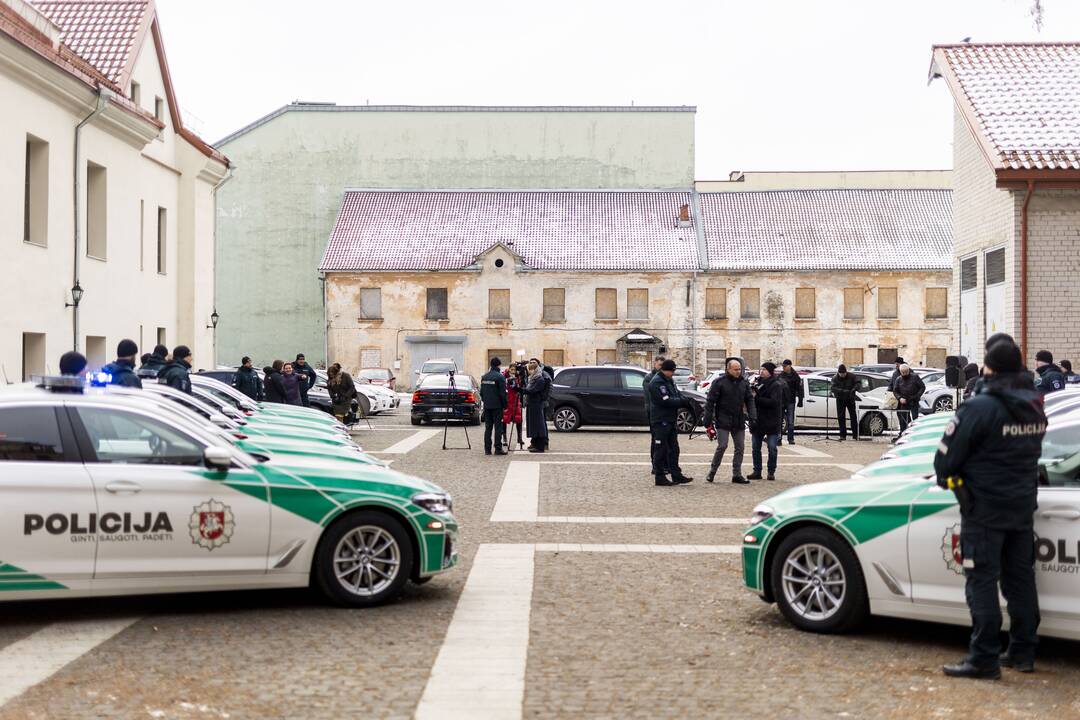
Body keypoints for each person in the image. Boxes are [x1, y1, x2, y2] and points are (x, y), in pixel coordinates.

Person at [935, 339, 1046, 680]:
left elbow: (944, 463)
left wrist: (956, 488)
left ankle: (984, 658)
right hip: (1022, 506)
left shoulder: (980, 407)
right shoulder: (1035, 403)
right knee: (1020, 581)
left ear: (989, 368)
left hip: (984, 509)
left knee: (981, 580)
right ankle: (1023, 652)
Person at [703, 358, 756, 484]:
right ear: (728, 369)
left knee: (740, 447)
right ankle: (712, 471)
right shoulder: (719, 382)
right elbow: (710, 401)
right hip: (723, 419)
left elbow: (749, 400)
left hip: (738, 419)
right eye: (736, 369)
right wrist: (708, 419)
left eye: (740, 369)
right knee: (722, 446)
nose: (738, 372)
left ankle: (736, 474)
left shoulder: (744, 382)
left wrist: (753, 416)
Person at [647, 359, 693, 486]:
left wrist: (685, 399)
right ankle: (660, 476)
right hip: (661, 420)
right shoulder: (656, 383)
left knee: (674, 449)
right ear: (666, 370)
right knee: (660, 449)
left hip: (670, 419)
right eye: (672, 371)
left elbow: (676, 394)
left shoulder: (669, 380)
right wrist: (682, 402)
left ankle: (676, 475)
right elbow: (665, 401)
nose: (673, 374)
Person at [748, 362, 784, 481]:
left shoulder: (776, 385)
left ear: (770, 371)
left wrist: (756, 398)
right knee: (755, 447)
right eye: (761, 369)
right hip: (758, 421)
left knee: (772, 448)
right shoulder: (758, 382)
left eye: (764, 369)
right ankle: (757, 471)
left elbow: (773, 402)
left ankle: (771, 471)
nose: (762, 371)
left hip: (772, 421)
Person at [480, 357, 508, 455]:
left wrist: (486, 401)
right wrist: (505, 406)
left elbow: (482, 393)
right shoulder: (500, 377)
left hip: (487, 406)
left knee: (488, 428)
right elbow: (502, 394)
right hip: (497, 407)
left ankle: (487, 449)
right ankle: (498, 448)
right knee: (498, 428)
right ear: (499, 365)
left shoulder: (484, 377)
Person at [522, 360, 550, 453]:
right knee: (534, 425)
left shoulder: (539, 379)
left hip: (537, 404)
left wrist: (521, 390)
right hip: (533, 403)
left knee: (538, 425)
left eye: (530, 370)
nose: (529, 372)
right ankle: (535, 444)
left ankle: (540, 446)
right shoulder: (534, 378)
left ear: (534, 369)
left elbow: (532, 390)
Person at [643, 356, 665, 467]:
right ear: (655, 364)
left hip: (662, 412)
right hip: (653, 411)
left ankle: (663, 464)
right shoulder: (649, 378)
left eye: (663, 365)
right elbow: (651, 397)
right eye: (660, 365)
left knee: (663, 439)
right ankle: (655, 465)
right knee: (656, 438)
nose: (661, 368)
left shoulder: (663, 377)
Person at [893, 363, 925, 431]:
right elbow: (895, 391)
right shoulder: (898, 379)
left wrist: (917, 396)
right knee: (903, 419)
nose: (904, 374)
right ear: (900, 372)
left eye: (905, 372)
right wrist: (899, 398)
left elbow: (922, 387)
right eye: (902, 372)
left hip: (913, 401)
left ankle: (915, 432)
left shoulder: (915, 377)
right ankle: (903, 432)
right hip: (903, 402)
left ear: (908, 371)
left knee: (915, 418)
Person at [778, 359, 803, 445]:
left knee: (790, 421)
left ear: (790, 366)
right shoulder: (781, 376)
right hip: (781, 400)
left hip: (791, 401)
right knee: (779, 420)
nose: (784, 368)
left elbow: (800, 389)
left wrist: (800, 400)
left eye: (785, 366)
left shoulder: (795, 376)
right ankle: (779, 438)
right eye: (783, 366)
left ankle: (791, 438)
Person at [831, 364, 858, 440]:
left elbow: (858, 383)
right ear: (838, 373)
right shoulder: (835, 378)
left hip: (850, 399)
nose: (842, 375)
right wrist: (843, 391)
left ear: (846, 372)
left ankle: (855, 435)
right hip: (840, 399)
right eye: (841, 374)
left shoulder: (852, 376)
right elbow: (833, 388)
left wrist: (854, 389)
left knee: (853, 417)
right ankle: (842, 435)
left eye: (844, 373)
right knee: (841, 417)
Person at [503, 363, 525, 451]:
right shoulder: (504, 376)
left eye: (514, 369)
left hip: (516, 401)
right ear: (509, 369)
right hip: (508, 401)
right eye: (511, 369)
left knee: (518, 420)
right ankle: (504, 437)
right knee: (504, 420)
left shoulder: (518, 377)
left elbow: (520, 387)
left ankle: (519, 437)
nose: (513, 371)